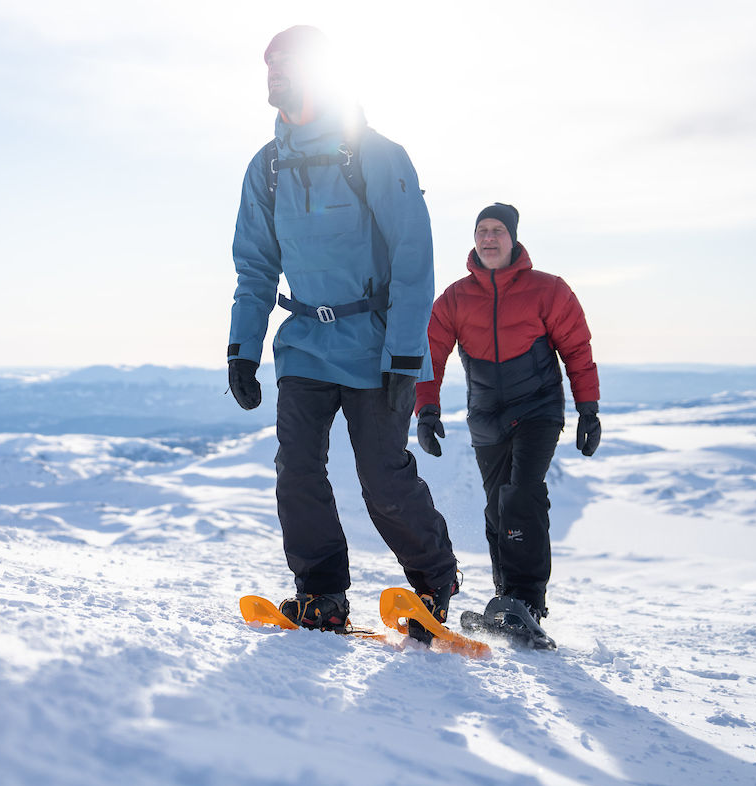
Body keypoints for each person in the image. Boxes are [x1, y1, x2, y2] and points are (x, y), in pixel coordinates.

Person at [227, 25, 459, 643]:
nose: (274, 71)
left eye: (287, 62)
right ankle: (321, 593)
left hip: (377, 345)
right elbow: (255, 266)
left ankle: (434, 582)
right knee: (297, 471)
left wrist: (405, 357)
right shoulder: (267, 167)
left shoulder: (375, 154)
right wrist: (242, 350)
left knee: (382, 478)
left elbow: (413, 262)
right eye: (269, 63)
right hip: (304, 344)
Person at [414, 203, 600, 636]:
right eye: (482, 230)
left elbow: (577, 349)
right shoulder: (455, 298)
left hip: (537, 408)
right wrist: (426, 410)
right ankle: (506, 600)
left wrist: (588, 410)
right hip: (485, 417)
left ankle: (527, 599)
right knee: (498, 507)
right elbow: (431, 355)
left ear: (513, 238)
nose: (489, 237)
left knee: (522, 496)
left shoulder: (548, 290)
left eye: (498, 230)